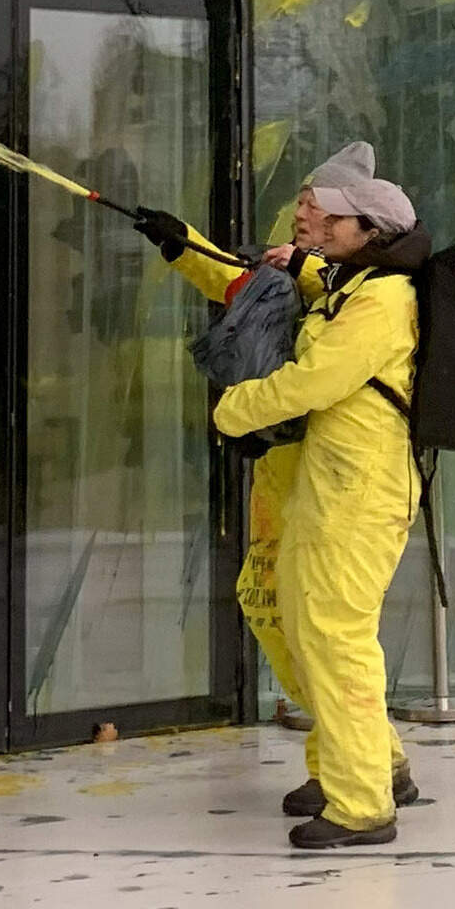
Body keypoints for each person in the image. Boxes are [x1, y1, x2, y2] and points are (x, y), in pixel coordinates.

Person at [131, 143, 429, 849]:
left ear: (364, 230)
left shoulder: (379, 298)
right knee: (296, 624)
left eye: (322, 211)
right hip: (325, 483)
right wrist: (184, 247)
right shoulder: (345, 279)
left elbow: (314, 381)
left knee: (331, 634)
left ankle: (362, 801)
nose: (307, 217)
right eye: (305, 205)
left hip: (355, 490)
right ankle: (365, 764)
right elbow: (250, 282)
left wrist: (232, 410)